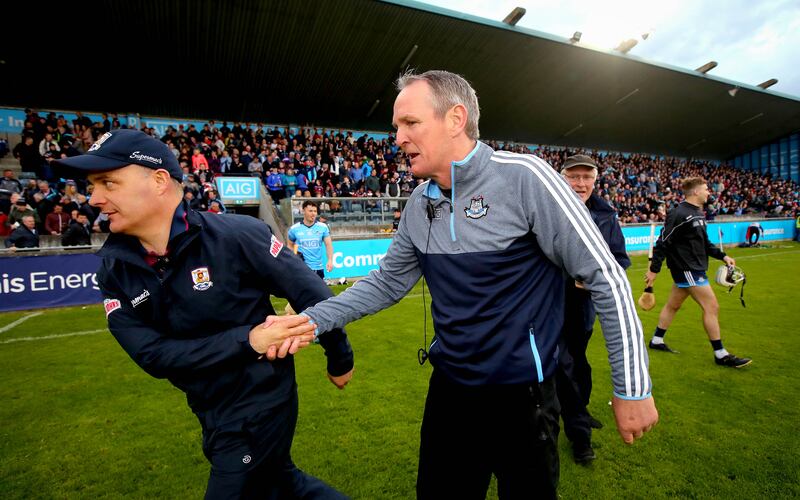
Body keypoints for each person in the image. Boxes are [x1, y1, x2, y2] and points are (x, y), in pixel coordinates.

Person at [299, 70, 657, 499]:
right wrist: (311, 321)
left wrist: (631, 388)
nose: (397, 137)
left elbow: (606, 276)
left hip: (523, 398)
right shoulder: (418, 202)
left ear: (455, 119)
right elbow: (386, 283)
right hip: (450, 393)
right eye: (396, 126)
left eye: (409, 123)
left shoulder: (525, 178)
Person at [53, 129, 353, 499]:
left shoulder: (237, 235)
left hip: (260, 400)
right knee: (283, 485)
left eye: (108, 183)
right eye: (92, 185)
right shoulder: (115, 270)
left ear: (159, 180)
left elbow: (311, 293)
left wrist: (339, 357)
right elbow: (153, 355)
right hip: (208, 408)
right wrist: (249, 340)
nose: (94, 197)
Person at [556, 154, 631, 465]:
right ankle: (578, 432)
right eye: (574, 177)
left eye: (587, 177)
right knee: (561, 364)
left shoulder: (605, 214)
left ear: (595, 181)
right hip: (546, 303)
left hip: (583, 306)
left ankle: (578, 414)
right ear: (562, 178)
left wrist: (591, 281)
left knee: (577, 362)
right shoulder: (545, 207)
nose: (580, 183)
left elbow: (620, 260)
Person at [645, 177, 751, 368]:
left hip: (694, 267)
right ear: (695, 192)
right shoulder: (679, 213)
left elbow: (704, 242)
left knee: (673, 305)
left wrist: (723, 256)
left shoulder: (698, 213)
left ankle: (656, 341)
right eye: (706, 189)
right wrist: (654, 270)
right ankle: (720, 354)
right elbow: (663, 242)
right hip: (687, 269)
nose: (708, 192)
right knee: (712, 307)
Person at [287, 201, 334, 279]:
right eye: (310, 211)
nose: (313, 214)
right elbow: (290, 245)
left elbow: (328, 245)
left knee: (319, 291)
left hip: (318, 268)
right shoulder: (294, 229)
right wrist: (295, 255)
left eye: (315, 211)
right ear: (303, 211)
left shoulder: (323, 227)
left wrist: (330, 260)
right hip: (301, 268)